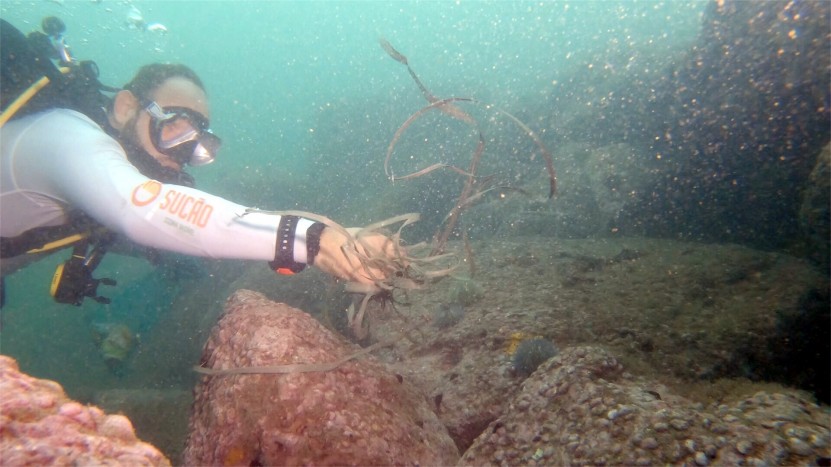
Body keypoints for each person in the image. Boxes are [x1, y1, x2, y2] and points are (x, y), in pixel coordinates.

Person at [0, 63, 394, 305]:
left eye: (198, 144)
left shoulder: (103, 174)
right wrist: (315, 239)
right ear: (125, 108)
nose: (181, 153)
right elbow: (143, 209)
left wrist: (346, 236)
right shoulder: (63, 136)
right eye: (174, 127)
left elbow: (174, 221)